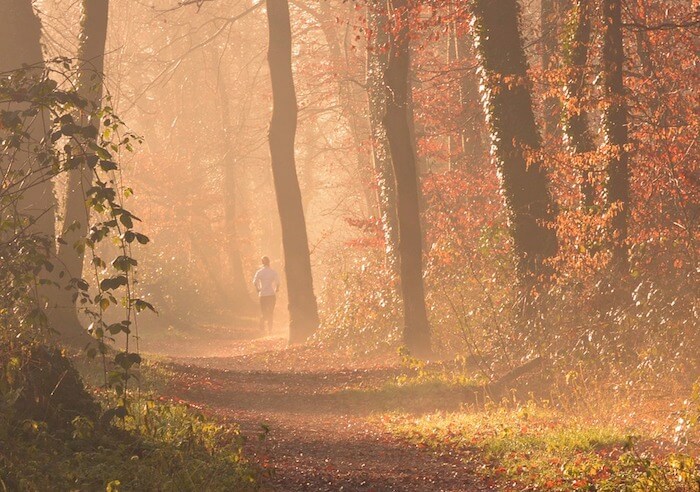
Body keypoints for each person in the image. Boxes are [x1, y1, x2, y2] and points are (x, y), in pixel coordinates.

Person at [252, 256, 280, 334]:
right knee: (271, 311)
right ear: (269, 262)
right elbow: (277, 281)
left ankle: (262, 324)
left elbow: (255, 281)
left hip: (263, 295)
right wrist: (277, 288)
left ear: (262, 263)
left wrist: (257, 289)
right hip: (271, 294)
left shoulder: (259, 272)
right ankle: (270, 329)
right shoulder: (273, 272)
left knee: (264, 311)